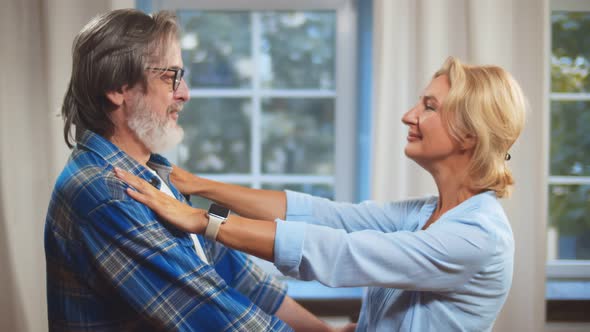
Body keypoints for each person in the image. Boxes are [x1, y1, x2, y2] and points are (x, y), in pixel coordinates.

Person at [115, 56, 528, 332]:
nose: (409, 115)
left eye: (430, 107)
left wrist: (206, 221)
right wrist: (195, 185)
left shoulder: (477, 237)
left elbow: (342, 252)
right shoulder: (426, 213)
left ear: (469, 134)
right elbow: (323, 216)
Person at [44, 9, 349, 331]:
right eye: (169, 76)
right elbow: (211, 311)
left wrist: (325, 331)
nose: (185, 92)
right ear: (117, 87)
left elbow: (239, 276)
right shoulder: (106, 193)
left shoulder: (155, 174)